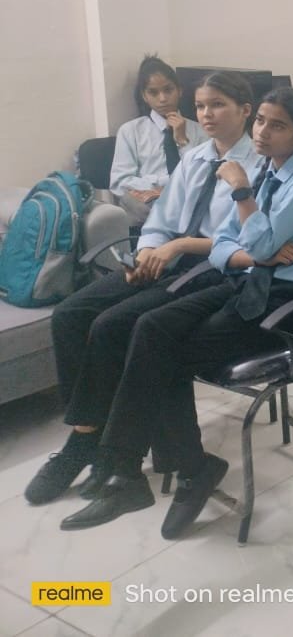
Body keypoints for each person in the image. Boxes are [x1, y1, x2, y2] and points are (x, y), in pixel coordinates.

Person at [59, 88, 293, 538]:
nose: (262, 132)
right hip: (247, 281)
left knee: (163, 348)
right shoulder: (267, 170)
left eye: (277, 126)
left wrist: (243, 196)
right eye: (261, 121)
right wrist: (253, 248)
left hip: (290, 299)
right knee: (151, 327)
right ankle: (143, 473)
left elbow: (259, 243)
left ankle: (167, 471)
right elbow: (226, 244)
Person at [25, 72, 261, 506]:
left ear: (245, 111)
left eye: (218, 105)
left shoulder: (259, 164)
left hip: (212, 266)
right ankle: (87, 434)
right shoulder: (195, 158)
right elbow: (162, 218)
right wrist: (149, 250)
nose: (206, 114)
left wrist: (174, 249)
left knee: (118, 324)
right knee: (70, 315)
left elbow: (248, 242)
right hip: (169, 256)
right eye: (201, 106)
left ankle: (101, 450)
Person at [110, 55, 208, 226]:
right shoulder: (131, 131)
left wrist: (183, 141)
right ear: (144, 96)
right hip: (148, 205)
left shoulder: (200, 130)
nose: (162, 98)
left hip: (189, 202)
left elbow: (202, 176)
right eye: (153, 93)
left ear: (179, 90)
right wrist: (162, 184)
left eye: (168, 90)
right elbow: (120, 182)